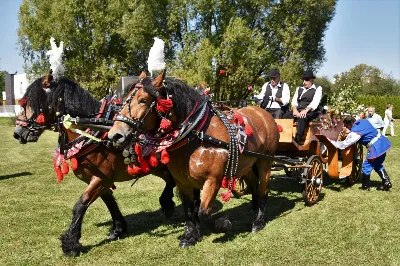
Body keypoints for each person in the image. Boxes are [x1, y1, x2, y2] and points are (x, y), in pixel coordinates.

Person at [329, 117, 392, 191]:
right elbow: (365, 131)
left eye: (347, 125)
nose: (345, 127)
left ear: (351, 124)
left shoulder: (355, 132)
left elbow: (344, 145)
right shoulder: (362, 121)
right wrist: (350, 131)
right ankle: (386, 182)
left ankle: (365, 187)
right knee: (377, 165)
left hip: (375, 147)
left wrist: (331, 142)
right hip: (382, 142)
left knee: (366, 167)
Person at [283, 70, 322, 145]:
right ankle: (287, 137)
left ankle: (297, 139)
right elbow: (294, 100)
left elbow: (315, 102)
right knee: (286, 116)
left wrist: (306, 110)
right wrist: (294, 110)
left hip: (311, 111)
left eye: (307, 80)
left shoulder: (318, 88)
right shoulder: (299, 88)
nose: (304, 82)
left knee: (302, 117)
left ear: (311, 80)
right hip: (298, 109)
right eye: (304, 80)